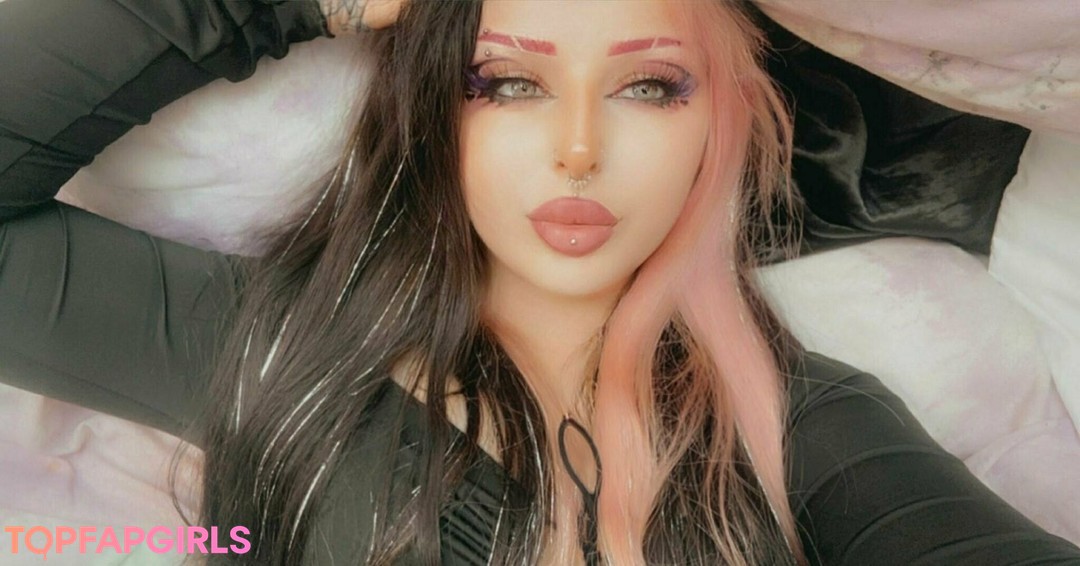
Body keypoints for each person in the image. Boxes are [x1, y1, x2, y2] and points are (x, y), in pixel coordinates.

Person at [1, 0, 1078, 565]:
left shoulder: (802, 427)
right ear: (433, 110)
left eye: (649, 87)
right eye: (509, 83)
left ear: (722, 127)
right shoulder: (281, 351)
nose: (577, 149)